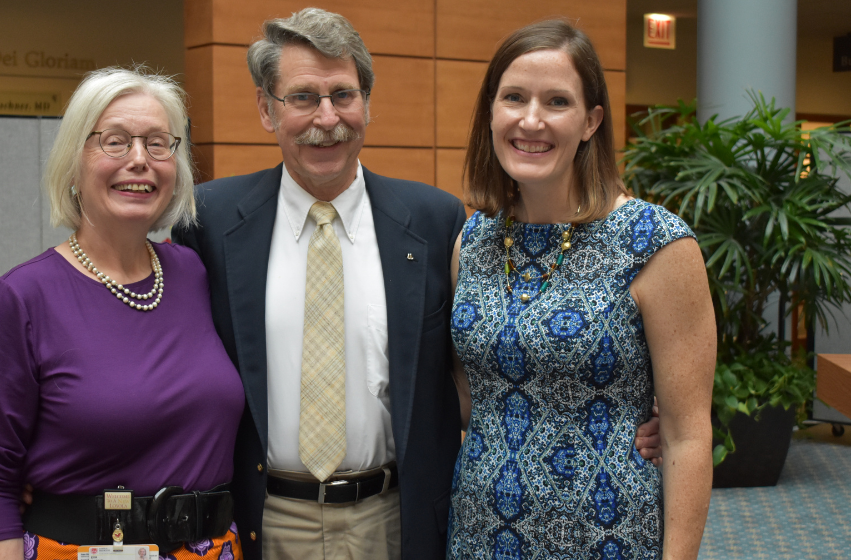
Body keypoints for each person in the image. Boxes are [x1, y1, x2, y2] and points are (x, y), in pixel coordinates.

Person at [172, 9, 664, 560]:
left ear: (367, 104)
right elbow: (179, 366)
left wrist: (639, 410)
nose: (327, 117)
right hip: (264, 517)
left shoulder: (438, 224)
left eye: (343, 94)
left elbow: (493, 357)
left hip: (395, 520)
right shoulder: (209, 223)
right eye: (303, 97)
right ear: (267, 108)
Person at [448, 20, 715, 559]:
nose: (531, 120)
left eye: (557, 102)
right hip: (480, 533)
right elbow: (465, 396)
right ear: (491, 112)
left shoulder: (656, 244)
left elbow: (688, 436)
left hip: (607, 535)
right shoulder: (473, 238)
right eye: (514, 98)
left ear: (591, 121)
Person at [0, 66, 245, 560]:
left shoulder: (195, 274)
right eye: (114, 141)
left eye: (158, 144)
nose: (139, 160)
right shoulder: (21, 298)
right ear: (74, 162)